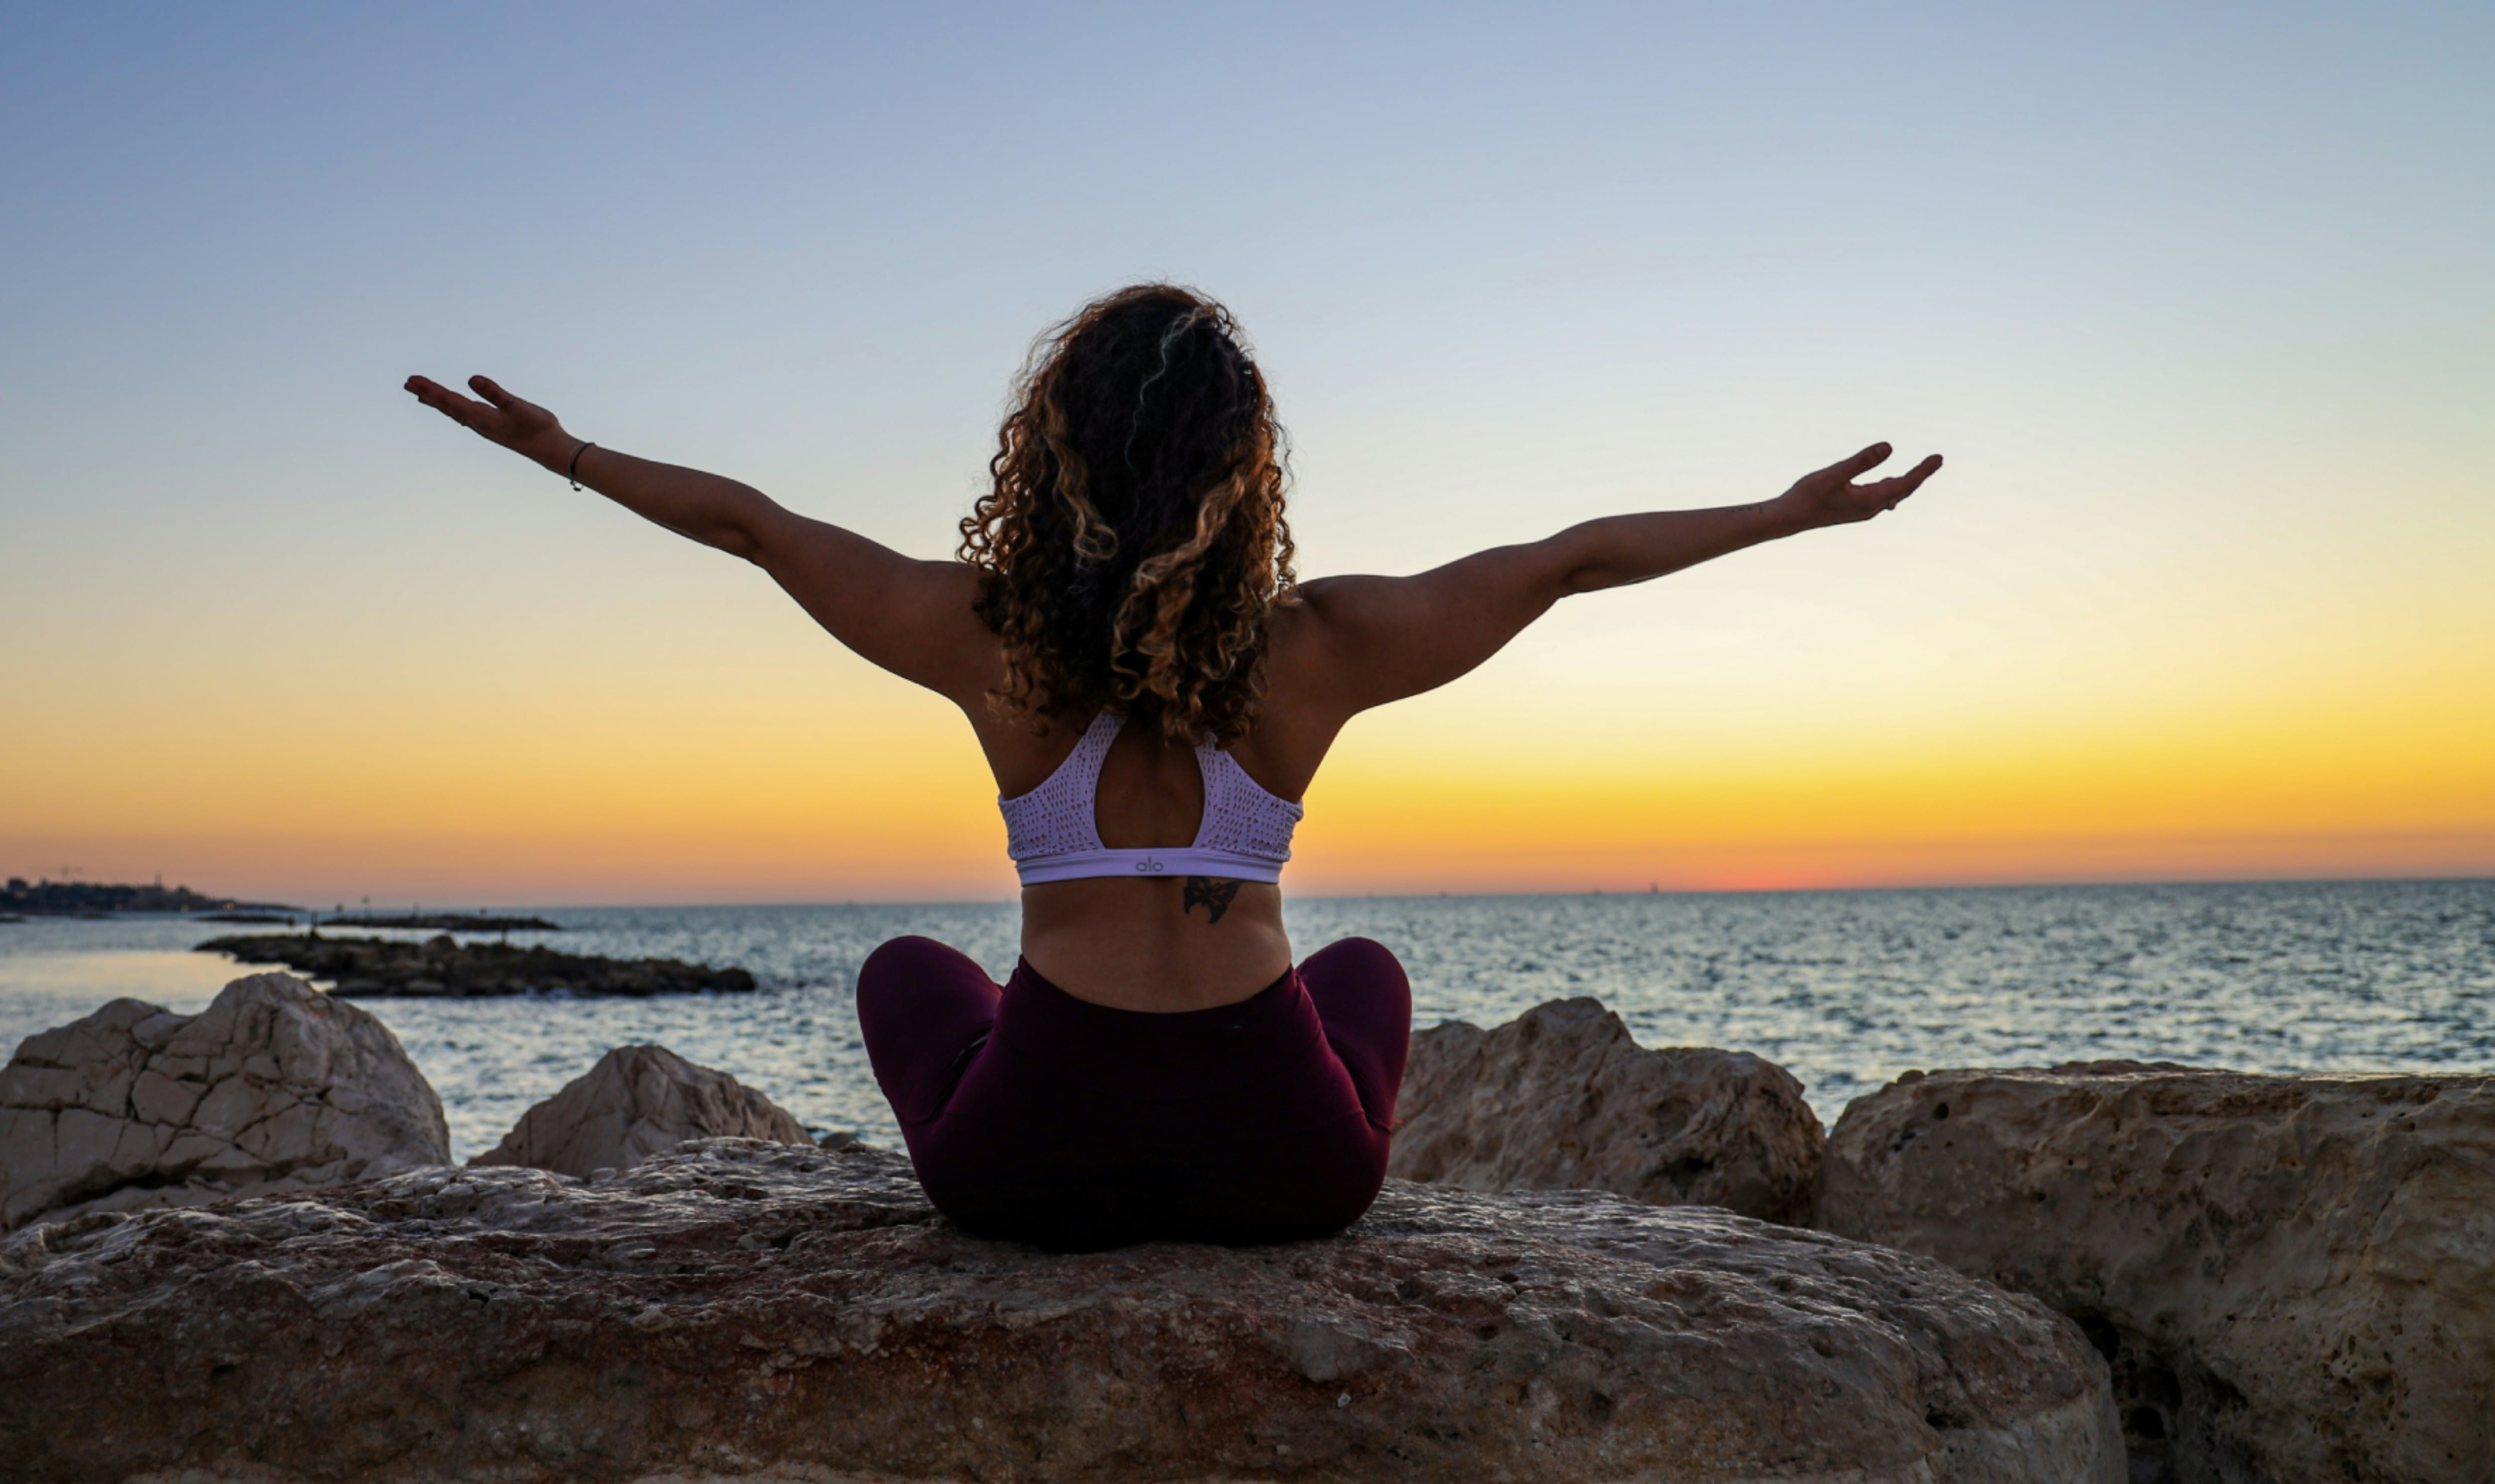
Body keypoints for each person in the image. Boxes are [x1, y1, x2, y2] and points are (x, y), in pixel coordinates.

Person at [407, 284, 1939, 1249]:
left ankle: (1037, 1039)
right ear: (1242, 471)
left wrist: (567, 451)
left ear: (1048, 454)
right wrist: (1780, 512)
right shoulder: (1320, 647)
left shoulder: (984, 637)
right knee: (1367, 975)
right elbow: (1567, 563)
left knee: (904, 971)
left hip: (1025, 1168)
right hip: (1285, 1169)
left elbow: (755, 525)